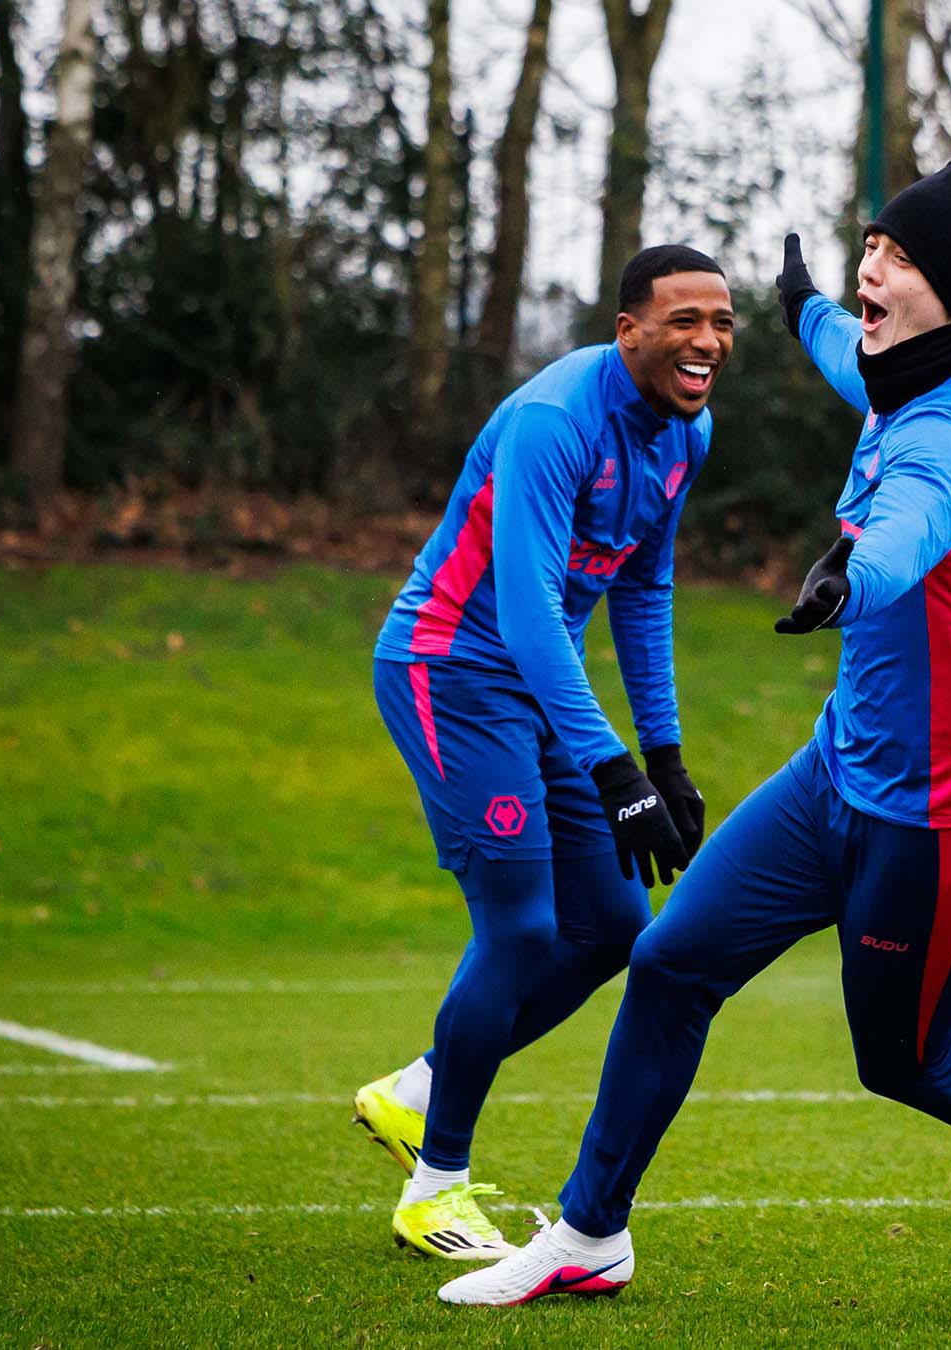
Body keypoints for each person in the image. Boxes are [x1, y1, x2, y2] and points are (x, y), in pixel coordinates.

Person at [437, 162, 951, 1309]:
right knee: (669, 963)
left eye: (895, 257)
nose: (869, 270)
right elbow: (842, 352)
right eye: (869, 247)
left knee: (912, 1060)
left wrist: (854, 576)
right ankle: (591, 1232)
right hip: (836, 775)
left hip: (944, 817)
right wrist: (804, 302)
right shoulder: (897, 369)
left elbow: (912, 522)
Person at [355, 244, 732, 1260]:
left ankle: (418, 1091)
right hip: (449, 668)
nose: (706, 342)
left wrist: (663, 756)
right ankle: (435, 1189)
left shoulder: (686, 433)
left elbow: (643, 590)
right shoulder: (555, 420)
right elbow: (526, 611)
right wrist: (611, 767)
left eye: (722, 323)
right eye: (684, 321)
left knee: (613, 927)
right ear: (629, 332)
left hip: (538, 684)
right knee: (521, 927)